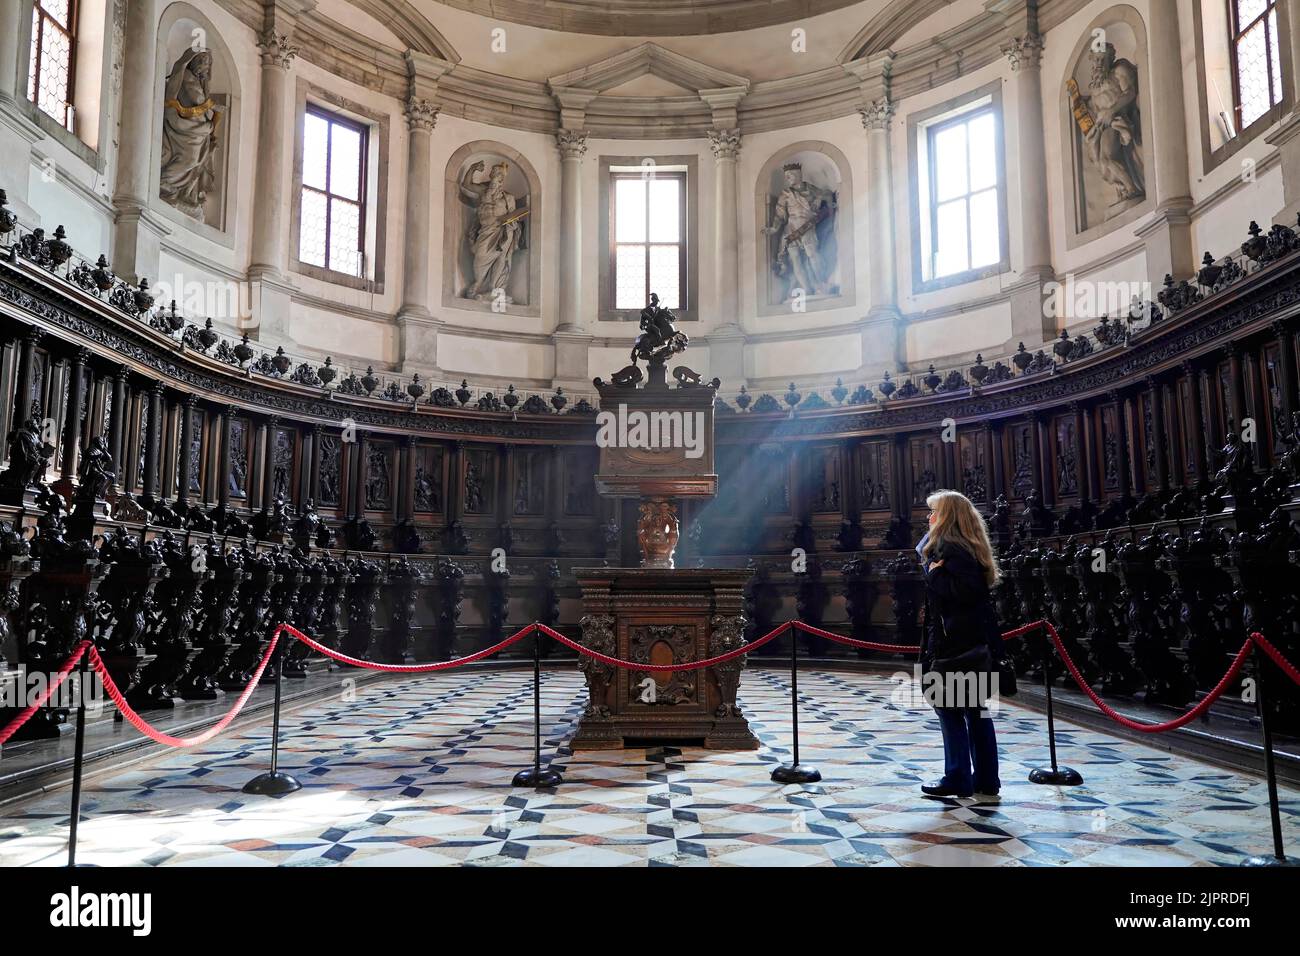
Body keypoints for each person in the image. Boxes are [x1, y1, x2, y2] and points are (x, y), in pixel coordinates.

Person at [917, 489, 1006, 801]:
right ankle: (985, 778)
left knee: (950, 710)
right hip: (972, 643)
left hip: (956, 644)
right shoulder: (968, 548)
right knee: (976, 712)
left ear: (947, 518)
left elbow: (961, 594)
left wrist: (931, 572)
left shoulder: (952, 550)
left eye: (934, 512)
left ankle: (957, 776)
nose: (929, 517)